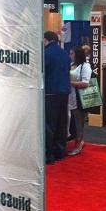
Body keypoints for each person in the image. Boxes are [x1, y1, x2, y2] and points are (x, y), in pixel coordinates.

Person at [43, 31, 70, 164]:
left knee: (49, 125)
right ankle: (60, 151)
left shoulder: (45, 54)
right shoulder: (65, 54)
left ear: (45, 40)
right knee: (61, 123)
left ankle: (49, 155)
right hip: (64, 93)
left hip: (50, 92)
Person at [68, 46, 92, 156]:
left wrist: (70, 83)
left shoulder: (85, 66)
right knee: (71, 122)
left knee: (79, 123)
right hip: (70, 97)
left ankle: (79, 143)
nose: (70, 55)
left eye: (72, 53)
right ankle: (75, 140)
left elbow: (85, 83)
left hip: (79, 99)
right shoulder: (71, 65)